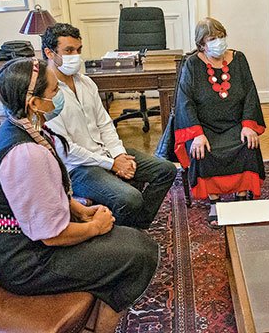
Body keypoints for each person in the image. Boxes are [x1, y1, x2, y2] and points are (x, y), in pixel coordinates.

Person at [0, 58, 159, 332]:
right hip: (26, 262)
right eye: (54, 91)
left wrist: (78, 210)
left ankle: (92, 319)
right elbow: (51, 236)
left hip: (32, 246)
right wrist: (93, 228)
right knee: (139, 255)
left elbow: (41, 194)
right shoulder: (26, 153)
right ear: (34, 103)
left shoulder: (22, 128)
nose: (60, 96)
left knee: (134, 243)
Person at [41, 23, 176, 229]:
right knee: (130, 198)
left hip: (105, 153)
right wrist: (112, 164)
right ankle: (119, 232)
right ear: (49, 53)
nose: (75, 56)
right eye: (68, 51)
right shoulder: (46, 96)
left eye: (78, 50)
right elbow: (66, 150)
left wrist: (119, 155)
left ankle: (137, 226)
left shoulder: (86, 83)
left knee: (165, 170)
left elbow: (105, 123)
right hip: (79, 168)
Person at [174, 17, 266, 228]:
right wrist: (196, 134)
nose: (219, 42)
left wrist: (248, 125)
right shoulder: (192, 64)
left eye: (221, 37)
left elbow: (250, 92)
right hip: (204, 127)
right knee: (204, 151)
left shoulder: (239, 59)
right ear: (201, 44)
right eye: (213, 39)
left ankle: (241, 197)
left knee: (247, 145)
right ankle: (214, 201)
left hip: (235, 124)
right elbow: (184, 101)